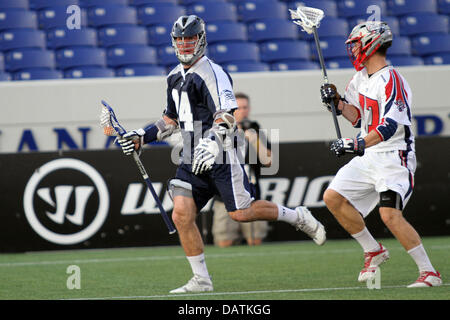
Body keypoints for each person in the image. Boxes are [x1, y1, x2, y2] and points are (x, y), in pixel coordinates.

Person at [117, 15, 326, 293]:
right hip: (190, 156)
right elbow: (170, 119)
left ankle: (296, 216)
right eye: (179, 40)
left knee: (241, 213)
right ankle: (201, 279)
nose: (184, 44)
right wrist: (142, 136)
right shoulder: (173, 76)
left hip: (220, 154)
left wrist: (213, 142)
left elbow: (227, 115)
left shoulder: (212, 72)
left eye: (189, 39)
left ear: (201, 39)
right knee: (182, 213)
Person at [320, 21, 442, 288]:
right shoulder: (360, 78)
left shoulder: (392, 79)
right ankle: (373, 250)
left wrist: (355, 145)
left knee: (390, 215)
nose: (352, 50)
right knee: (333, 197)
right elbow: (357, 118)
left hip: (393, 155)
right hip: (369, 154)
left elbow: (388, 127)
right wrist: (337, 102)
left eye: (355, 44)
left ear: (371, 44)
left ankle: (429, 273)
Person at [212, 92, 271, 247]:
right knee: (224, 241)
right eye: (238, 108)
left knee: (255, 239)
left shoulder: (254, 129)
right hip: (224, 195)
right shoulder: (219, 130)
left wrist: (254, 140)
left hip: (251, 193)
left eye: (245, 107)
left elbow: (268, 161)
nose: (242, 111)